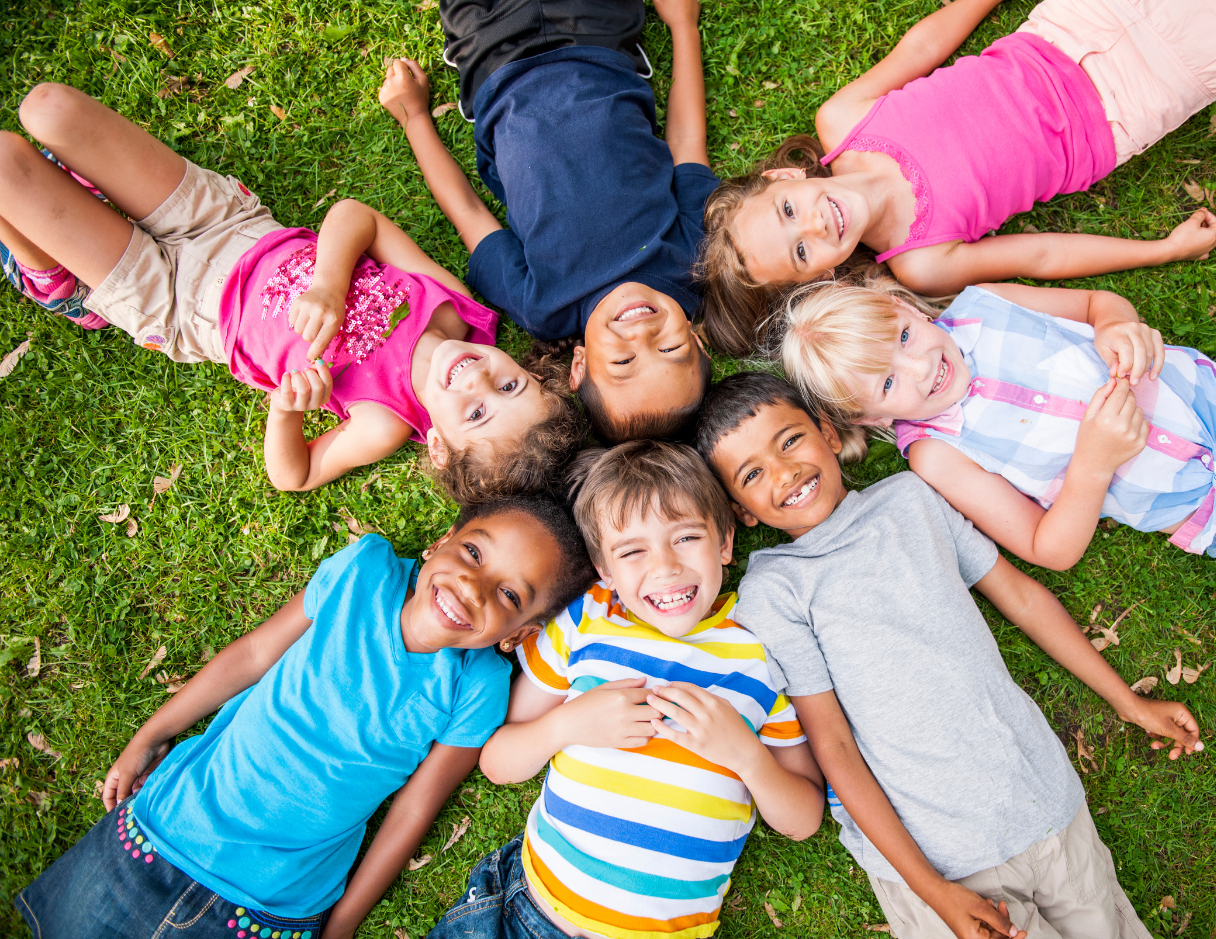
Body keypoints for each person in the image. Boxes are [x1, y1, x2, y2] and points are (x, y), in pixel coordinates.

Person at [775, 274, 1216, 778]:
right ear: (869, 419)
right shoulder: (937, 453)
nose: (919, 370)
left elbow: (1094, 302)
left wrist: (1118, 325)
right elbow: (1047, 548)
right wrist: (1093, 463)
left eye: (904, 339)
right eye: (888, 382)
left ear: (905, 307)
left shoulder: (982, 304)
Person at [695, 372, 1203, 939]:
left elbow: (1023, 599)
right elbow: (833, 748)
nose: (784, 472)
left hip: (1046, 809)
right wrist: (930, 889)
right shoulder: (777, 589)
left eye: (789, 440)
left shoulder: (912, 500)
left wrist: (1127, 700)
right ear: (741, 511)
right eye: (752, 474)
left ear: (829, 433)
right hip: (941, 866)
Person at [14, 493, 598, 939]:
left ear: (518, 635)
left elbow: (414, 809)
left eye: (509, 595)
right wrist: (151, 734)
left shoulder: (479, 686)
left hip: (269, 906)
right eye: (473, 552)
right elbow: (252, 654)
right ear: (443, 540)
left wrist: (343, 923)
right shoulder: (364, 572)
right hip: (162, 833)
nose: (472, 586)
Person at [0, 83, 585, 495]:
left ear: (439, 446)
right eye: (511, 384)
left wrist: (284, 411)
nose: (480, 378)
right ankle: (67, 233)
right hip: (226, 224)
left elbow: (295, 475)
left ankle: (61, 285)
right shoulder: (454, 308)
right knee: (47, 108)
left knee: (6, 163)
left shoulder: (383, 423)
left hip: (178, 306)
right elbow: (361, 217)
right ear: (529, 367)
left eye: (479, 412)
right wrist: (331, 283)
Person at [694, 0, 1216, 355]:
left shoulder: (843, 121)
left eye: (787, 212)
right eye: (801, 251)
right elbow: (1043, 253)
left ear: (784, 175)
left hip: (1069, 27)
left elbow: (920, 51)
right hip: (1123, 106)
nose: (813, 224)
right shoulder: (919, 261)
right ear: (824, 278)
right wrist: (1160, 249)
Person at [429, 440, 824, 938]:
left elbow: (804, 818)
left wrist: (747, 756)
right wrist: (568, 724)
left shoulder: (761, 653)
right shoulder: (588, 621)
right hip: (529, 912)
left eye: (685, 538)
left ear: (724, 542)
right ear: (606, 572)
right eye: (632, 551)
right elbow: (497, 762)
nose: (664, 567)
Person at [380, 0, 718, 442]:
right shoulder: (693, 258)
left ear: (580, 364)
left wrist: (415, 118)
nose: (643, 335)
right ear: (697, 340)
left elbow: (467, 212)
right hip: (596, 35)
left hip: (493, 61)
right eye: (670, 348)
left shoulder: (543, 307)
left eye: (623, 362)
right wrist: (682, 26)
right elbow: (687, 143)